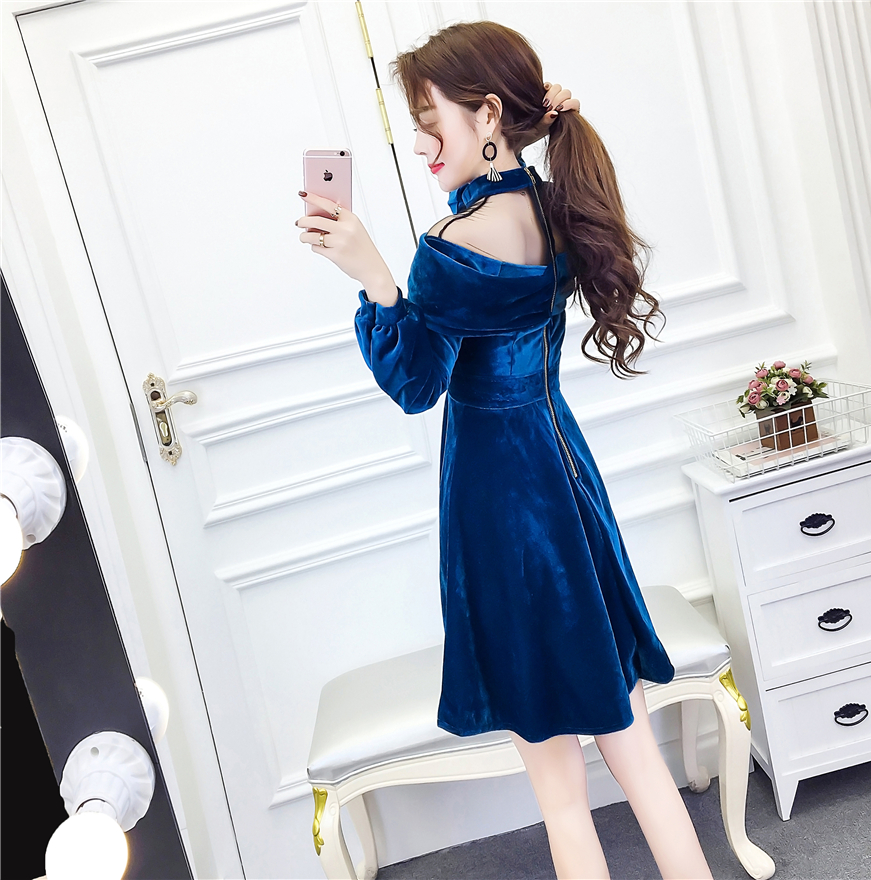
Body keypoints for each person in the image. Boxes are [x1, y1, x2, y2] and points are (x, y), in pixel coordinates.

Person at [296, 20, 714, 880]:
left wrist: (374, 276)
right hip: (568, 482)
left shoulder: (452, 249)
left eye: (429, 123)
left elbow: (417, 383)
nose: (419, 145)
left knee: (560, 796)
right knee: (636, 754)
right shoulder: (556, 207)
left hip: (501, 510)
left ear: (488, 114)